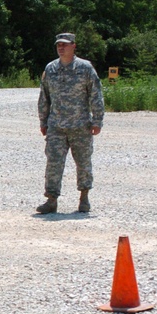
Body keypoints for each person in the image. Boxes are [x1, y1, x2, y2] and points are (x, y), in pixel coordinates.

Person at [36, 33, 104, 214]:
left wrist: (97, 120)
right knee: (53, 163)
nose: (61, 48)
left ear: (73, 46)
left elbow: (96, 95)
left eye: (65, 45)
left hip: (80, 126)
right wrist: (43, 120)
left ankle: (84, 198)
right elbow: (44, 97)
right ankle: (51, 200)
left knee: (83, 163)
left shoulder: (85, 68)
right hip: (56, 126)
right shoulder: (51, 68)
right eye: (58, 45)